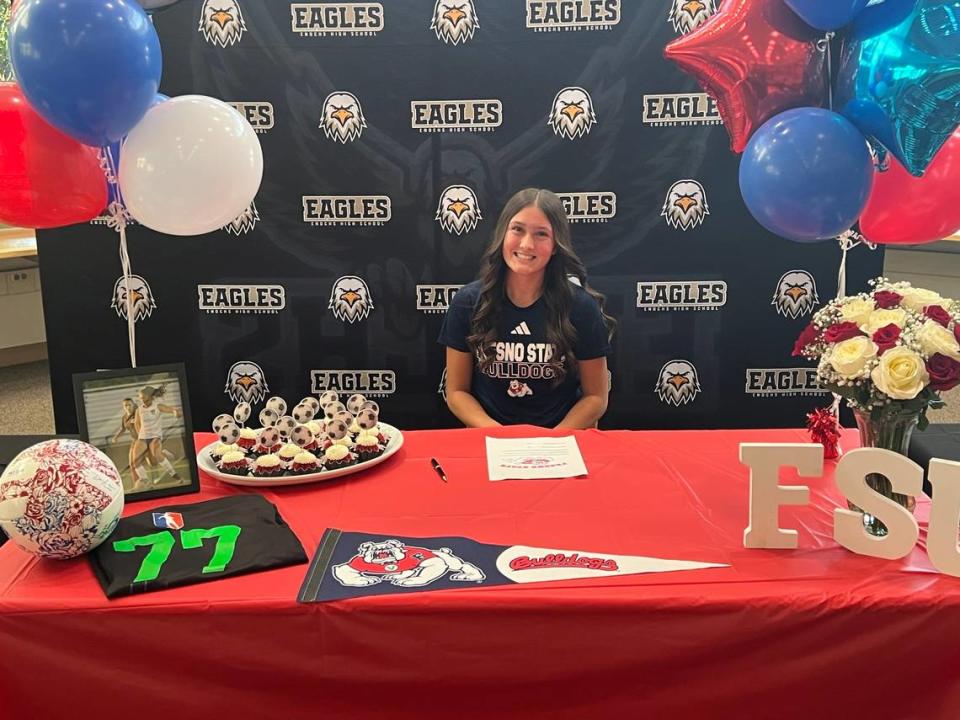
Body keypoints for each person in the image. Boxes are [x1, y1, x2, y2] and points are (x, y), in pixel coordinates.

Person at [438, 188, 615, 429]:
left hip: (560, 442)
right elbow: (457, 391)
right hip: (489, 439)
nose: (527, 244)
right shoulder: (467, 302)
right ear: (503, 233)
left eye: (541, 234)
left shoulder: (581, 307)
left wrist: (551, 440)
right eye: (517, 229)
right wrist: (498, 435)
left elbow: (596, 397)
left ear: (555, 245)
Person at [131, 384, 183, 490]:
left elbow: (172, 409)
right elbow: (137, 424)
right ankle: (147, 483)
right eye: (140, 398)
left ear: (150, 396)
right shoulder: (139, 410)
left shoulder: (157, 406)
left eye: (143, 397)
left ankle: (177, 477)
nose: (142, 399)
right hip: (143, 437)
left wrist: (175, 412)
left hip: (155, 436)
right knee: (135, 461)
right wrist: (141, 437)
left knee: (157, 455)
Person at [109, 397, 145, 490]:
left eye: (129, 405)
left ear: (133, 405)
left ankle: (145, 481)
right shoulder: (124, 417)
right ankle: (137, 485)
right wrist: (116, 437)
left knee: (139, 462)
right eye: (125, 405)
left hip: (143, 440)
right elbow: (123, 429)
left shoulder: (138, 413)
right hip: (134, 441)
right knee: (131, 464)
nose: (128, 407)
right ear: (123, 407)